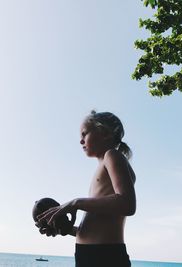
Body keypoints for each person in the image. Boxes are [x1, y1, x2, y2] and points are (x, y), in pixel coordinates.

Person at [37, 110, 136, 267]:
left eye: (84, 134)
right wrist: (64, 228)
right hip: (90, 254)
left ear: (104, 133)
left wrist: (75, 203)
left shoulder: (112, 156)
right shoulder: (103, 165)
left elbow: (127, 204)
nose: (81, 141)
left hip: (105, 256)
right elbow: (97, 229)